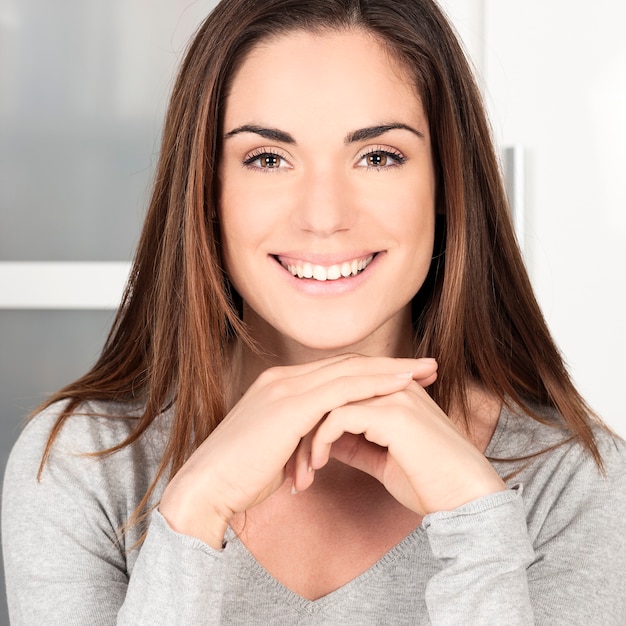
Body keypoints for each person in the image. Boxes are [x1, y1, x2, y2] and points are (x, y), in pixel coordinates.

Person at [3, 0, 625, 623]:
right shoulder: (85, 463)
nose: (324, 215)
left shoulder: (572, 481)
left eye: (378, 156)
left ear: (447, 185)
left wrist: (478, 527)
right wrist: (192, 516)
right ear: (207, 192)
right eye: (268, 159)